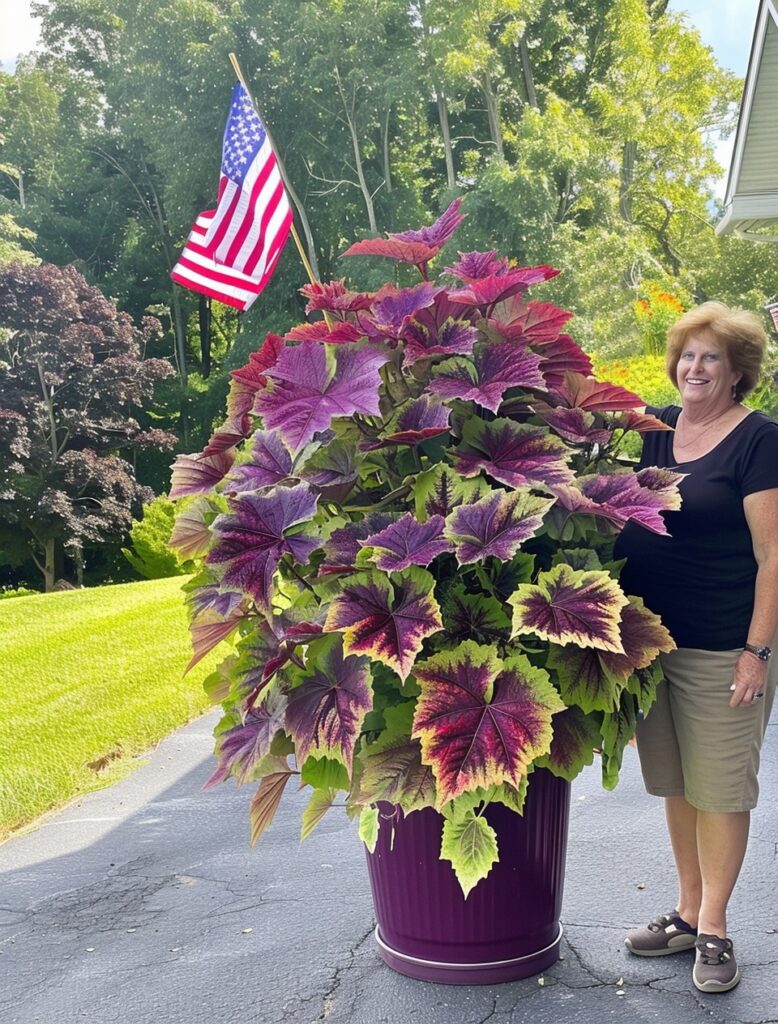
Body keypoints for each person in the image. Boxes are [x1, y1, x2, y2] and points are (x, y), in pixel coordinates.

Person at [614, 301, 778, 993]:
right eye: (687, 354)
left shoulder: (758, 440)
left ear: (739, 371)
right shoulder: (653, 430)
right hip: (652, 645)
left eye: (712, 357)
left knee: (721, 791)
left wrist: (756, 652)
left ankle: (714, 927)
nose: (695, 367)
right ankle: (685, 911)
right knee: (678, 784)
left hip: (721, 645)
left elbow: (774, 554)